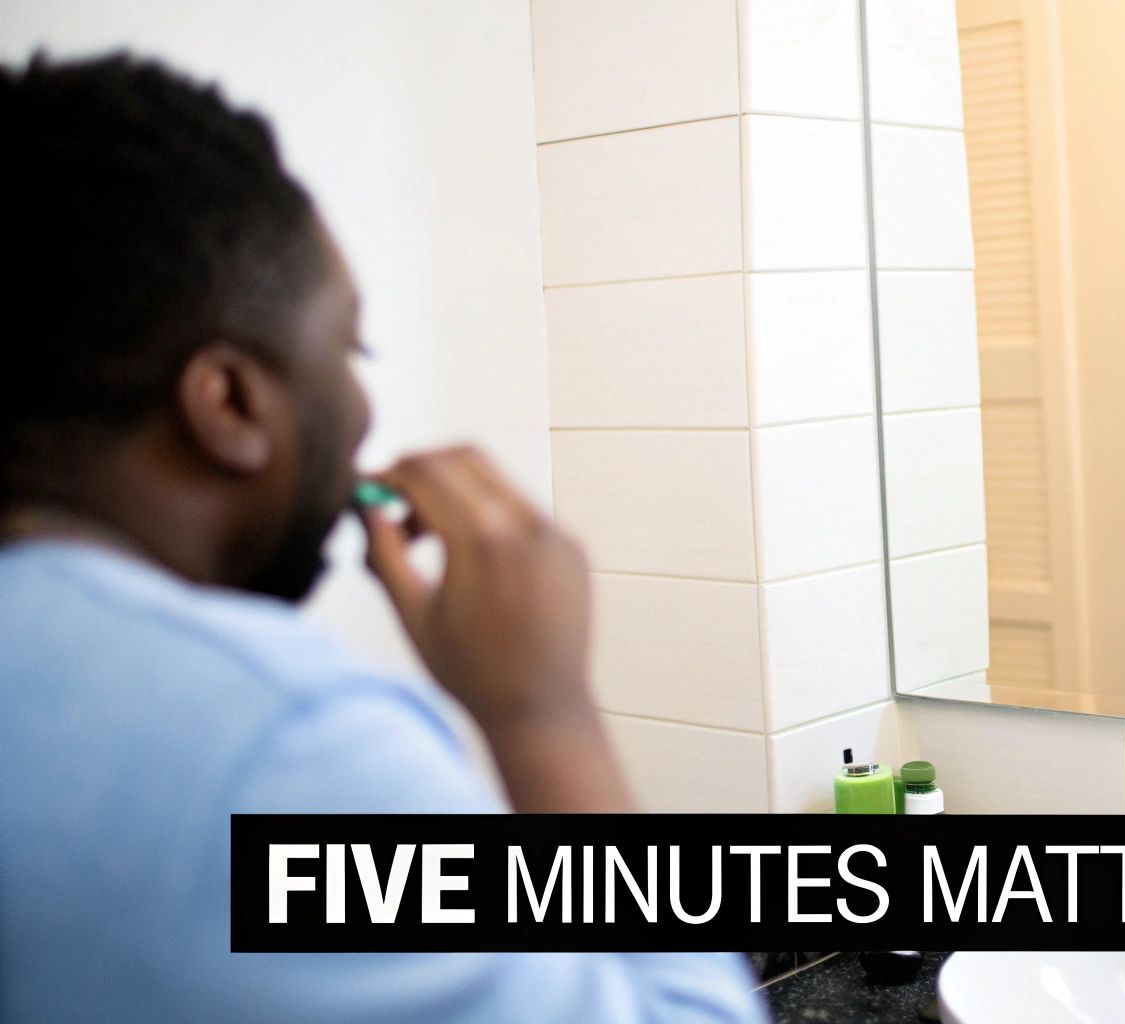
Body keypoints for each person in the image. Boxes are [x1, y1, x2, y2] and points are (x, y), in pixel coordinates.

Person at [0, 53, 765, 1022]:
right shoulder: (280, 744)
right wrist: (544, 713)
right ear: (230, 400)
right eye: (349, 348)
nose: (363, 407)